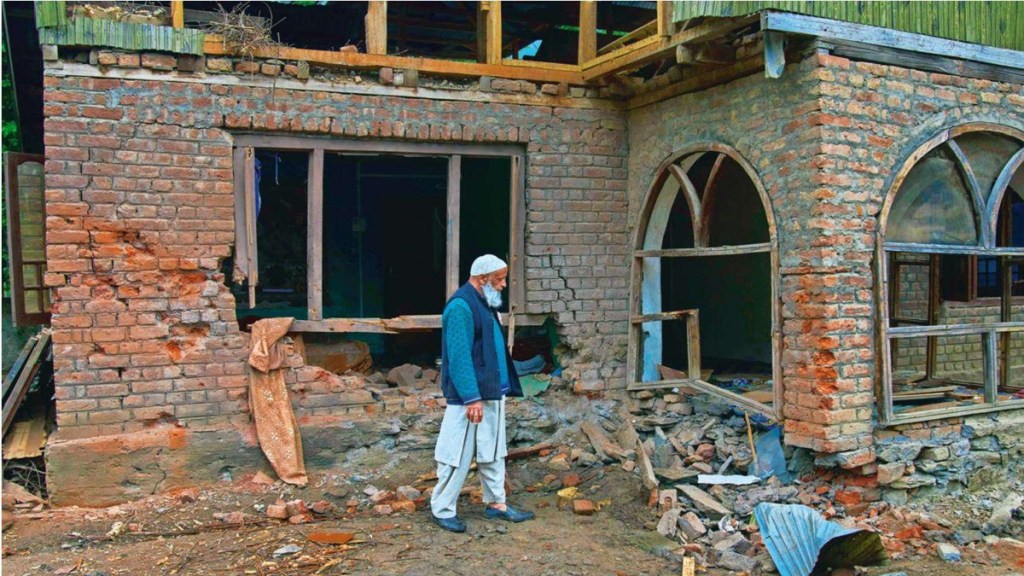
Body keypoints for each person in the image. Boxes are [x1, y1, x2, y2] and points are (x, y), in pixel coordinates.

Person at [430, 254, 534, 532]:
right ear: (482, 278)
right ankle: (442, 509)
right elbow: (459, 356)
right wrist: (471, 397)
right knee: (456, 454)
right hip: (470, 398)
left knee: (494, 451)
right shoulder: (461, 306)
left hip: (492, 391)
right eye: (499, 279)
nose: (503, 284)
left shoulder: (486, 303)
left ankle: (497, 503)